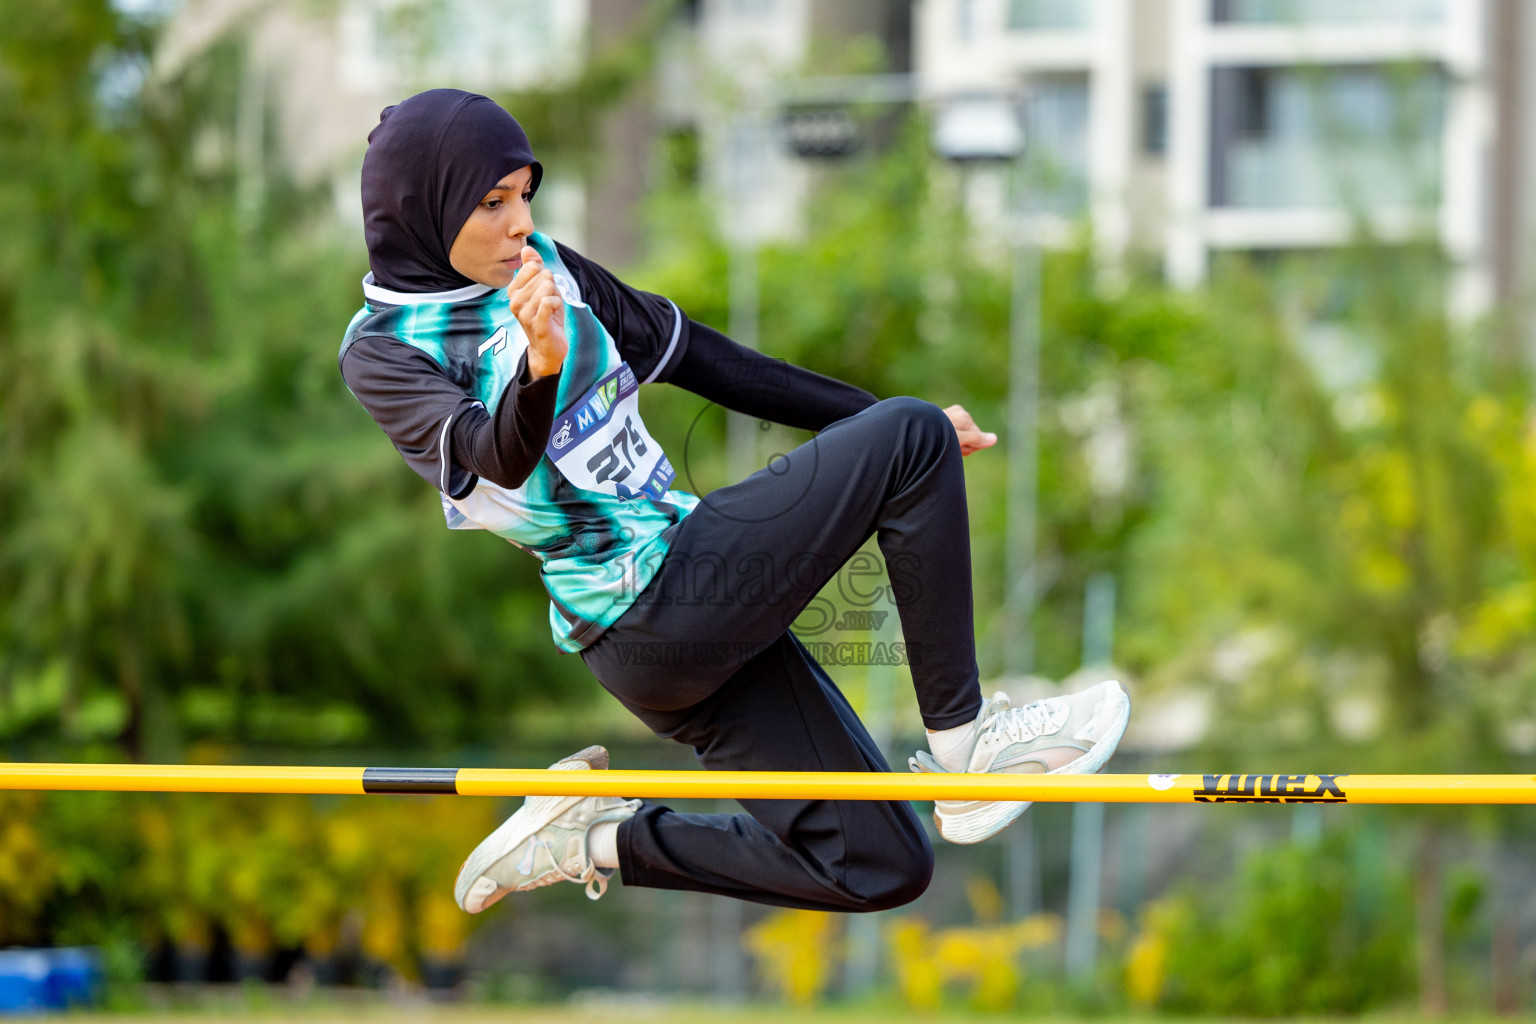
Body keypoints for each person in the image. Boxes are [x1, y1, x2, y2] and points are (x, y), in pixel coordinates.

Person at [340, 89, 1131, 914]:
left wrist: (894, 428)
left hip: (688, 596)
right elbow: (491, 457)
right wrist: (540, 368)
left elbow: (706, 361)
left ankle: (587, 838)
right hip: (644, 612)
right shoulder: (382, 354)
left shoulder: (552, 269)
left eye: (526, 194)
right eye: (492, 202)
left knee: (880, 862)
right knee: (907, 436)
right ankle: (968, 756)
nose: (519, 222)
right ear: (421, 211)